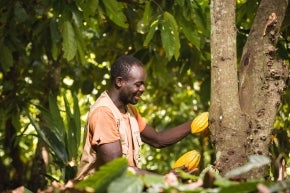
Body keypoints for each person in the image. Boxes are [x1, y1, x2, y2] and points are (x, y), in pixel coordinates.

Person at [75, 55, 198, 181]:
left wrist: (196, 123)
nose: (143, 89)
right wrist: (164, 178)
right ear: (119, 82)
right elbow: (116, 169)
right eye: (138, 84)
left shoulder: (130, 111)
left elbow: (158, 139)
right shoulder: (103, 113)